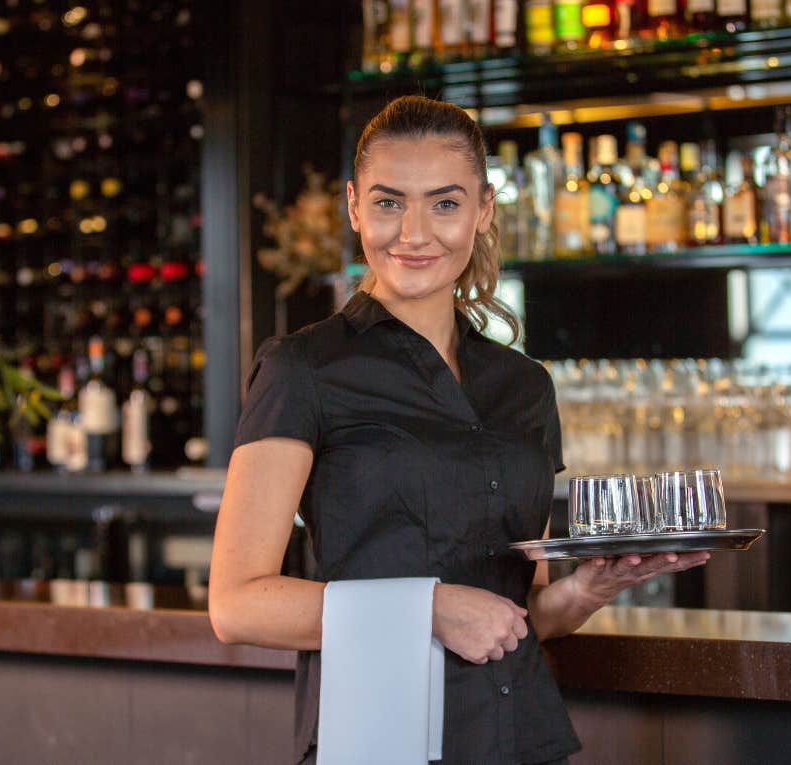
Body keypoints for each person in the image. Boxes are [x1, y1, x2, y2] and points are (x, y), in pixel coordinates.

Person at [207, 95, 710, 765]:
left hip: (516, 737)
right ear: (355, 206)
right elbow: (236, 604)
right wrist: (430, 609)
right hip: (377, 742)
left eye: (444, 203)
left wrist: (582, 593)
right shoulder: (302, 368)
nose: (414, 233)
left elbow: (514, 606)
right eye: (389, 203)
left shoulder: (524, 386)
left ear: (483, 209)